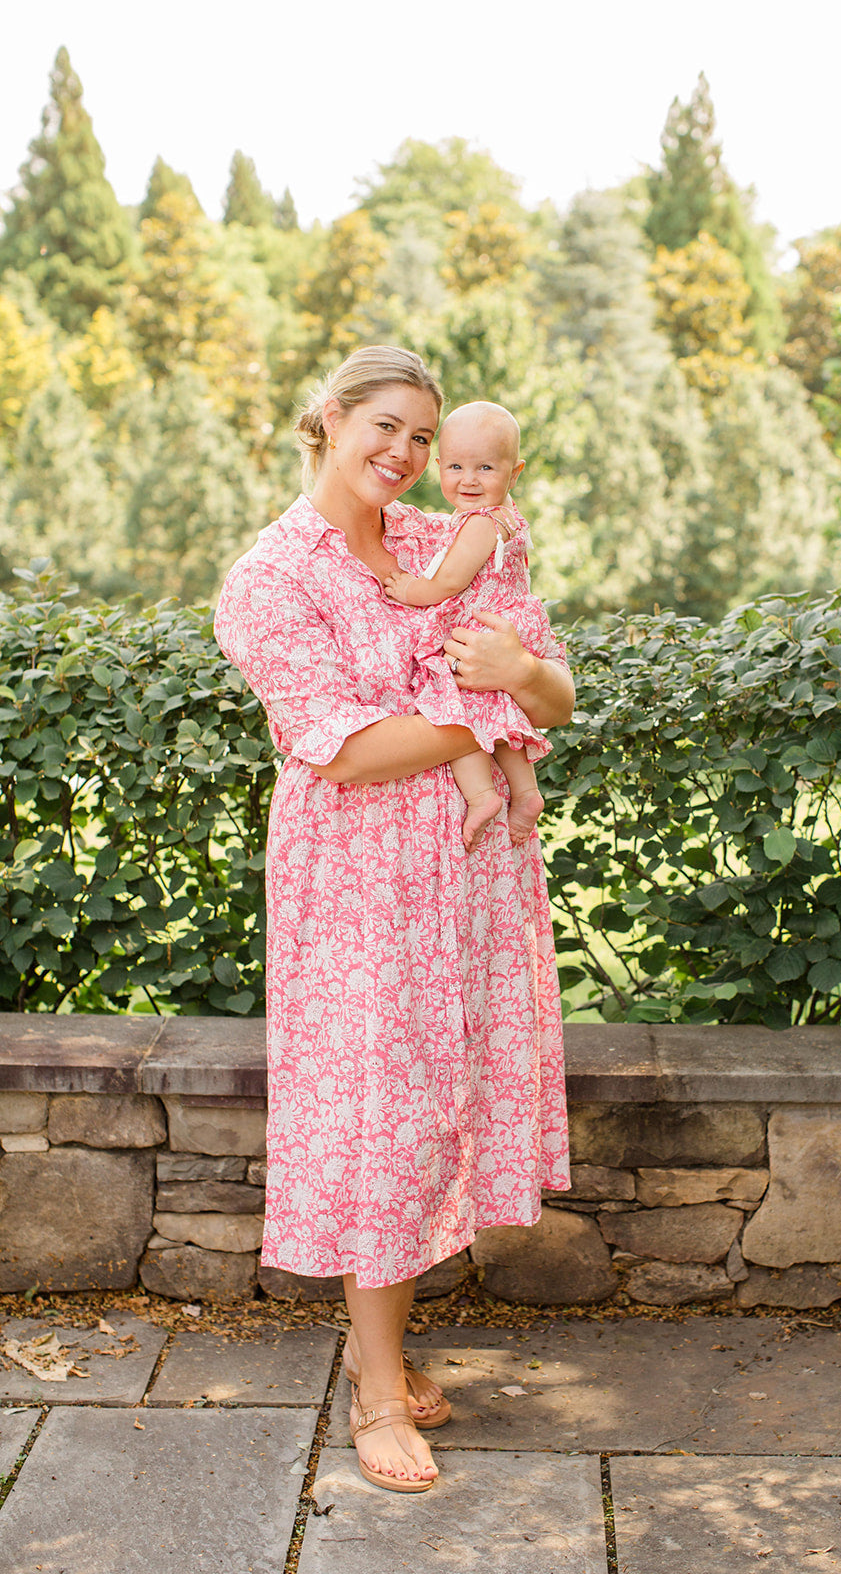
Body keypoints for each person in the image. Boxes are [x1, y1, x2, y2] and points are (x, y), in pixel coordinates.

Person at [212, 346, 573, 1494]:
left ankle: (384, 1347)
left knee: (429, 1113)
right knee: (381, 1115)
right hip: (358, 888)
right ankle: (374, 1386)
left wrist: (519, 670)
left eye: (423, 435)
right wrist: (489, 717)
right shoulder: (271, 577)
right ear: (329, 418)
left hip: (466, 875)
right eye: (386, 426)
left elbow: (556, 690)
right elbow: (347, 749)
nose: (407, 454)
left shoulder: (442, 535)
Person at [382, 400, 548, 852]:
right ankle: (525, 792)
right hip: (503, 624)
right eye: (456, 466)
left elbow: (450, 581)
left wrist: (411, 588)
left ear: (514, 473)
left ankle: (482, 796)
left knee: (453, 705)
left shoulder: (481, 523)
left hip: (481, 629)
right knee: (495, 708)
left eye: (485, 468)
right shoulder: (505, 513)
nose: (469, 479)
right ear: (440, 467)